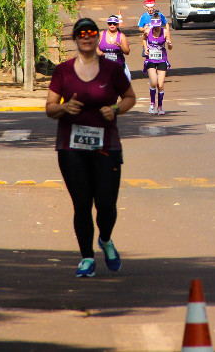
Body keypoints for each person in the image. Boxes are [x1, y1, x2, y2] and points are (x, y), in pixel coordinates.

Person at [46, 17, 136, 278]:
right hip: (71, 148)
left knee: (106, 203)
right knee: (82, 204)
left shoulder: (112, 70)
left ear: (98, 37)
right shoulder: (63, 71)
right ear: (75, 38)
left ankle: (105, 239)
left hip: (107, 146)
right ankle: (86, 258)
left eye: (91, 33)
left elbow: (130, 97)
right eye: (81, 33)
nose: (86, 37)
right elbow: (50, 108)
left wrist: (116, 109)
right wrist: (64, 107)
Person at [143, 16, 172, 114]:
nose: (156, 28)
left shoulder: (165, 32)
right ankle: (152, 103)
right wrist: (145, 48)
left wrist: (169, 44)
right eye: (154, 26)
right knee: (154, 82)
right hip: (151, 59)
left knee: (161, 84)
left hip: (162, 59)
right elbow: (144, 39)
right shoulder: (148, 31)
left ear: (160, 24)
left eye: (158, 26)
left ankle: (160, 106)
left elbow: (170, 47)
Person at [97, 15, 131, 80]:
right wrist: (98, 51)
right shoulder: (101, 34)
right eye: (110, 23)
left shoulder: (121, 36)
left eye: (114, 24)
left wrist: (121, 46)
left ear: (117, 25)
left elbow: (127, 52)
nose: (112, 25)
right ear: (108, 24)